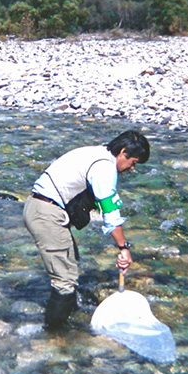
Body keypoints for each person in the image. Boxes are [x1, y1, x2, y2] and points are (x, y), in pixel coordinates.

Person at [23, 130, 150, 330]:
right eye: (133, 162)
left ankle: (69, 318)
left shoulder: (96, 153)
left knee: (70, 263)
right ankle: (55, 335)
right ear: (123, 152)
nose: (132, 168)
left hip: (40, 207)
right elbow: (110, 212)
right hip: (47, 214)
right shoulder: (104, 167)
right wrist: (123, 248)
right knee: (65, 281)